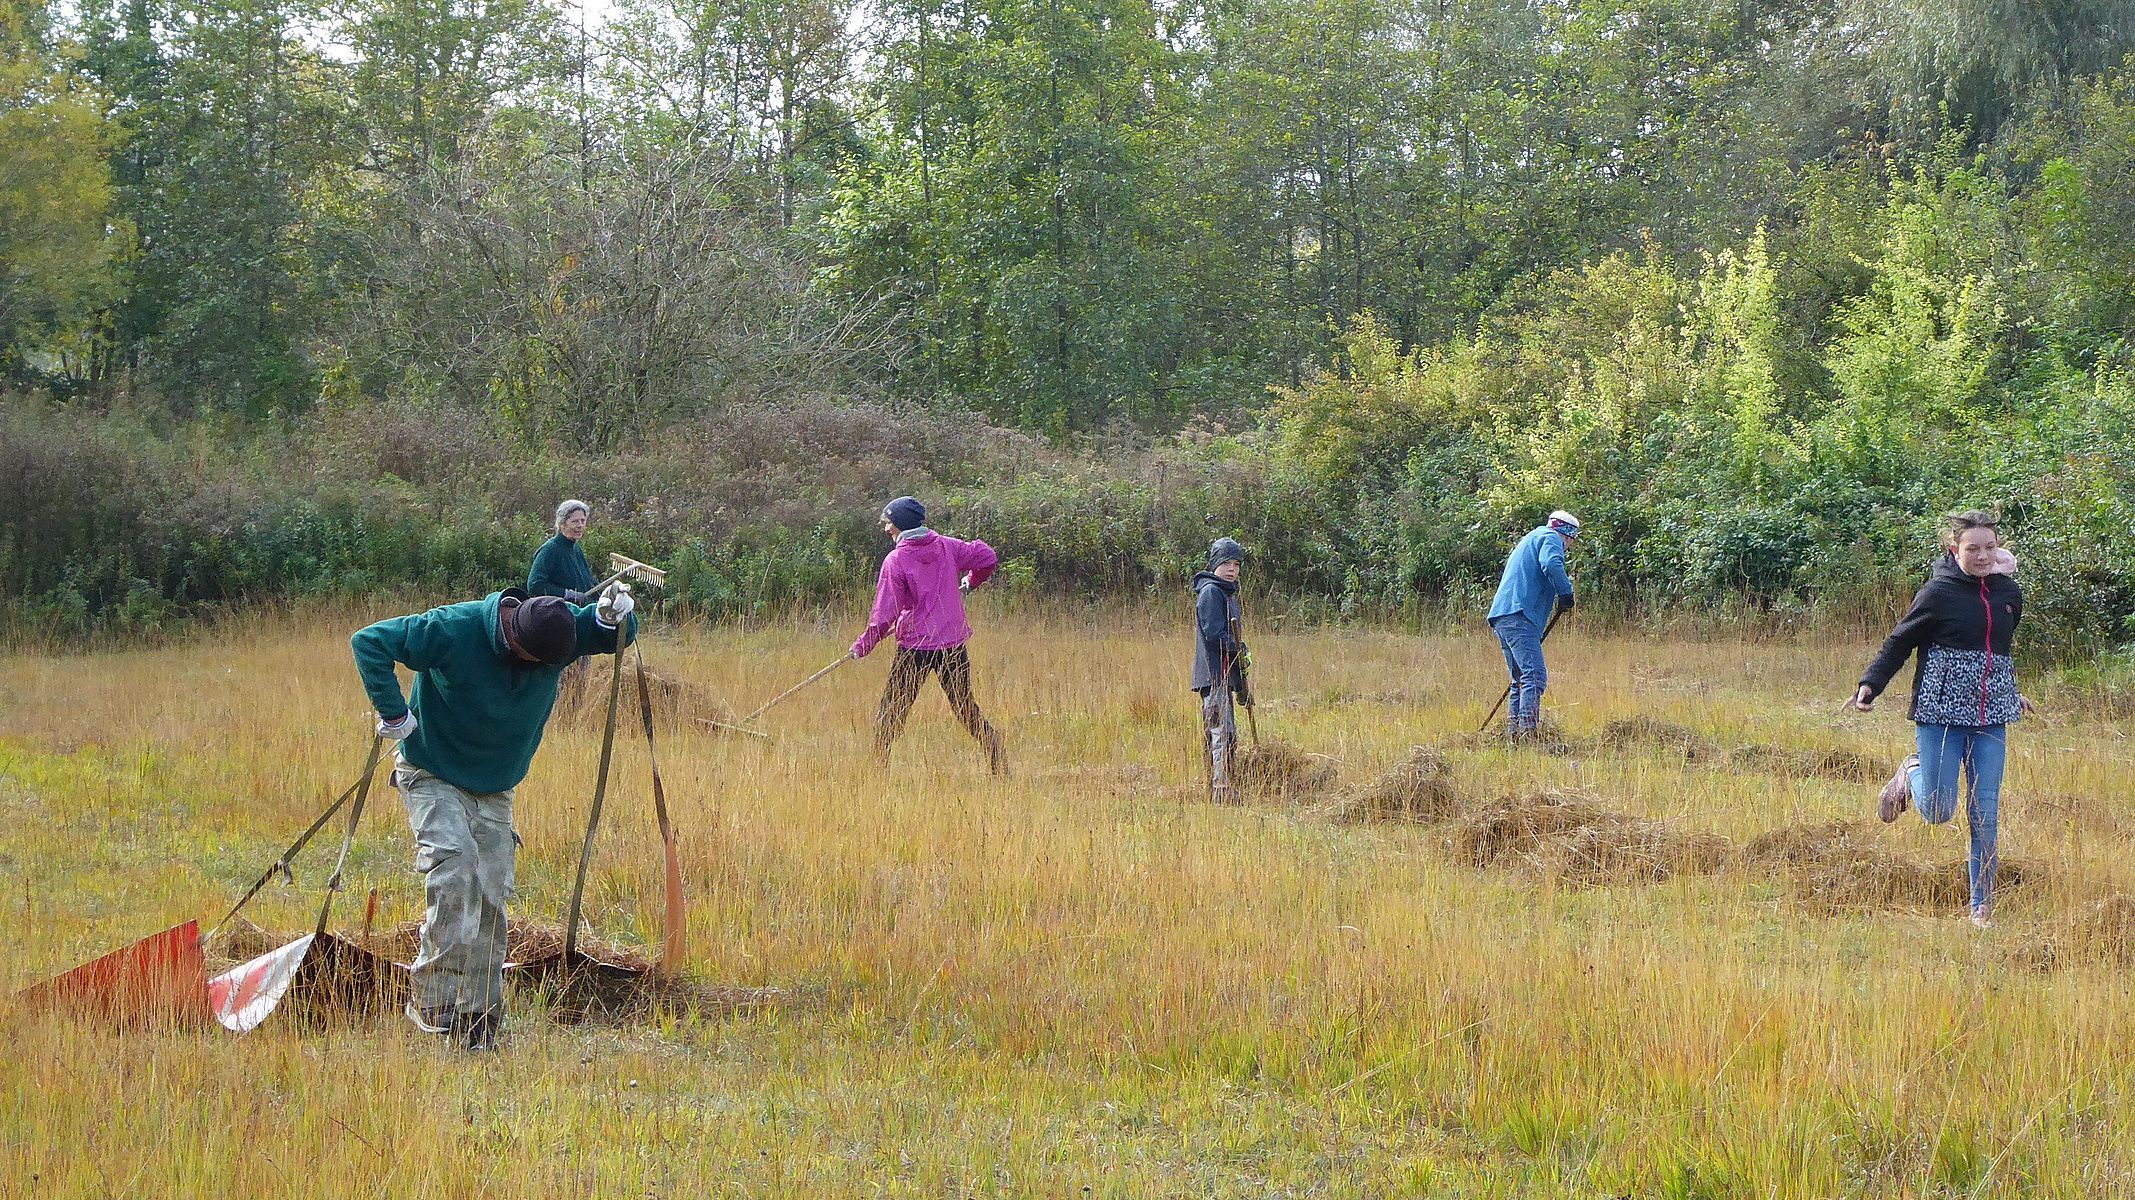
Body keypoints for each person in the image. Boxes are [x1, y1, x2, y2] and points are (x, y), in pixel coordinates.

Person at [351, 581, 638, 1050]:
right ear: (514, 638)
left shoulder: (557, 629)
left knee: (491, 893)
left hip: (496, 788)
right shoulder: (452, 629)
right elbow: (370, 641)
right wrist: (395, 712)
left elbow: (616, 634)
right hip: (433, 771)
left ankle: (478, 1015)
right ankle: (433, 1001)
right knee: (456, 868)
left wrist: (613, 615)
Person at [1852, 510, 2031, 929]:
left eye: (1990, 547)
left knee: (1985, 811)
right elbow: (1900, 642)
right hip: (1940, 711)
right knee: (1937, 809)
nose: (1983, 555)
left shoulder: (2009, 592)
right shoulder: (1938, 592)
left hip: (1991, 715)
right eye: (1973, 548)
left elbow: (1997, 651)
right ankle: (1912, 770)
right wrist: (1870, 684)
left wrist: (2010, 690)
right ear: (1955, 549)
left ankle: (1980, 907)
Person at [851, 496, 1007, 774]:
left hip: (916, 648)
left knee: (892, 710)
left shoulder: (895, 560)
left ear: (899, 525)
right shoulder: (948, 546)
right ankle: (996, 755)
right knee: (964, 708)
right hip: (952, 644)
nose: (887, 529)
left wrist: (863, 645)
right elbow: (987, 557)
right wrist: (971, 583)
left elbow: (884, 613)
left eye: (889, 523)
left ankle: (875, 771)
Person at [1486, 510, 1580, 742]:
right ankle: (1528, 733)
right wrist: (1565, 592)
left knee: (1519, 679)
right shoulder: (1551, 538)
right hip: (1520, 615)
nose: (1568, 546)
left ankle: (1513, 736)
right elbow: (1551, 563)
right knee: (1534, 676)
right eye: (1571, 541)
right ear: (1568, 535)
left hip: (1503, 615)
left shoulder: (1531, 537)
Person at [1191, 538, 1251, 801]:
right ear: (1215, 564)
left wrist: (1241, 686)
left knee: (1228, 736)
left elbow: (1232, 639)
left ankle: (1224, 788)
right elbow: (1215, 634)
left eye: (1236, 564)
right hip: (1213, 677)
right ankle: (1221, 793)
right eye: (1226, 563)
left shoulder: (1227, 594)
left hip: (1225, 678)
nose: (1232, 569)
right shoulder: (1211, 593)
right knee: (1220, 735)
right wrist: (1239, 647)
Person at [527, 500, 597, 602]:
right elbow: (535, 584)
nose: (580, 525)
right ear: (562, 524)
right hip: (560, 612)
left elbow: (588, 581)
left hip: (582, 610)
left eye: (583, 521)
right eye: (575, 521)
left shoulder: (575, 548)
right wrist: (567, 594)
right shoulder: (550, 550)